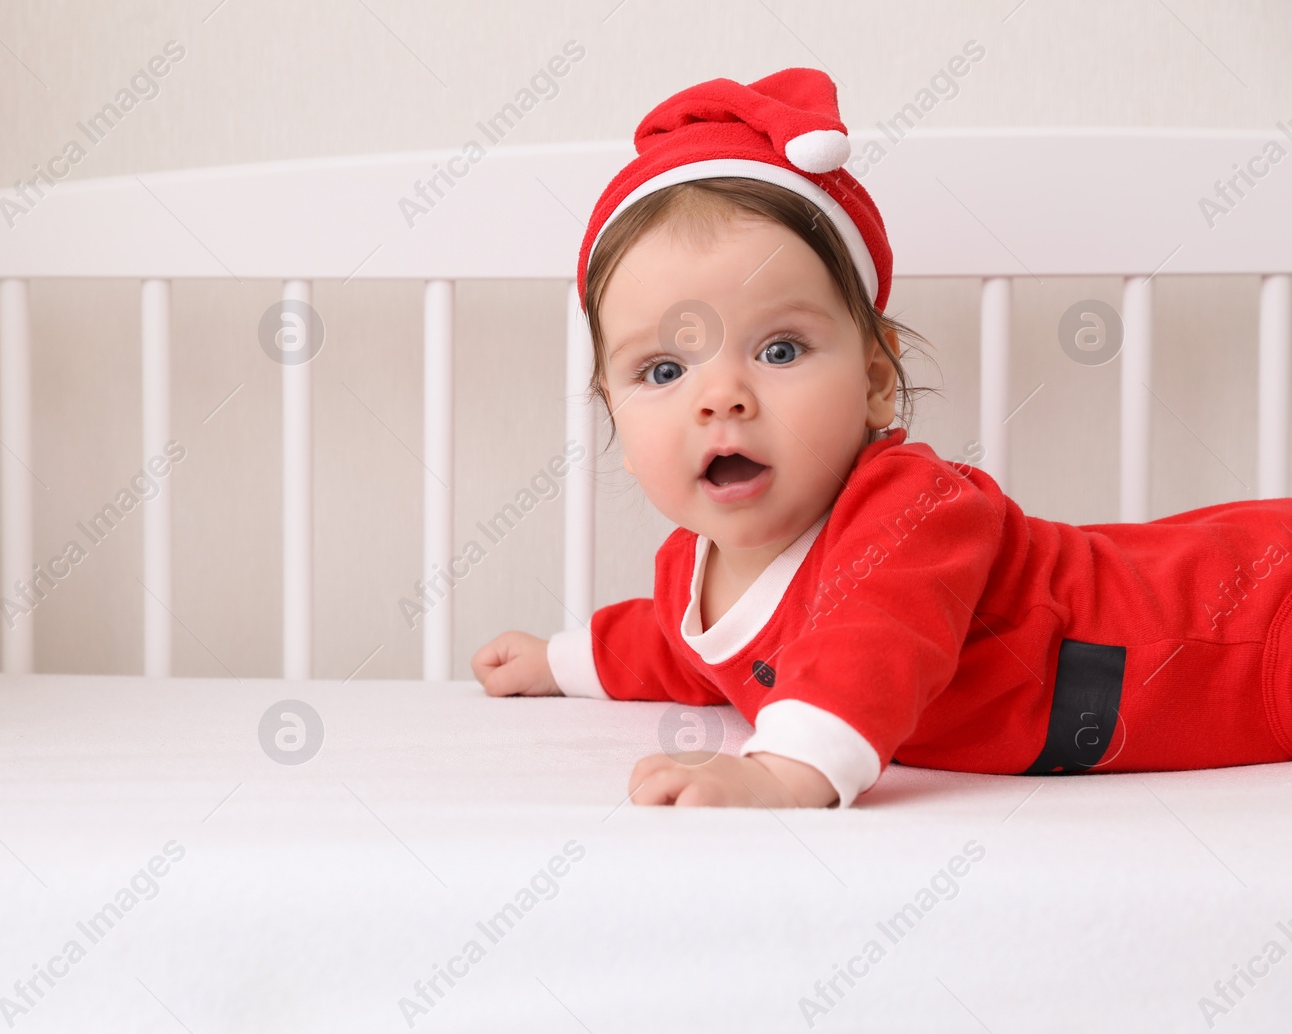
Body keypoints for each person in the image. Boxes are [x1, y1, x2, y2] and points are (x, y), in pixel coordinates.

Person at [470, 68, 1292, 809]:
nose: (721, 397)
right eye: (661, 371)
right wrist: (562, 661)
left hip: (1247, 625)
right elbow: (675, 646)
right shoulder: (692, 569)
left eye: (780, 350)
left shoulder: (914, 508)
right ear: (610, 405)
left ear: (872, 380)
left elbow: (873, 635)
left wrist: (785, 768)